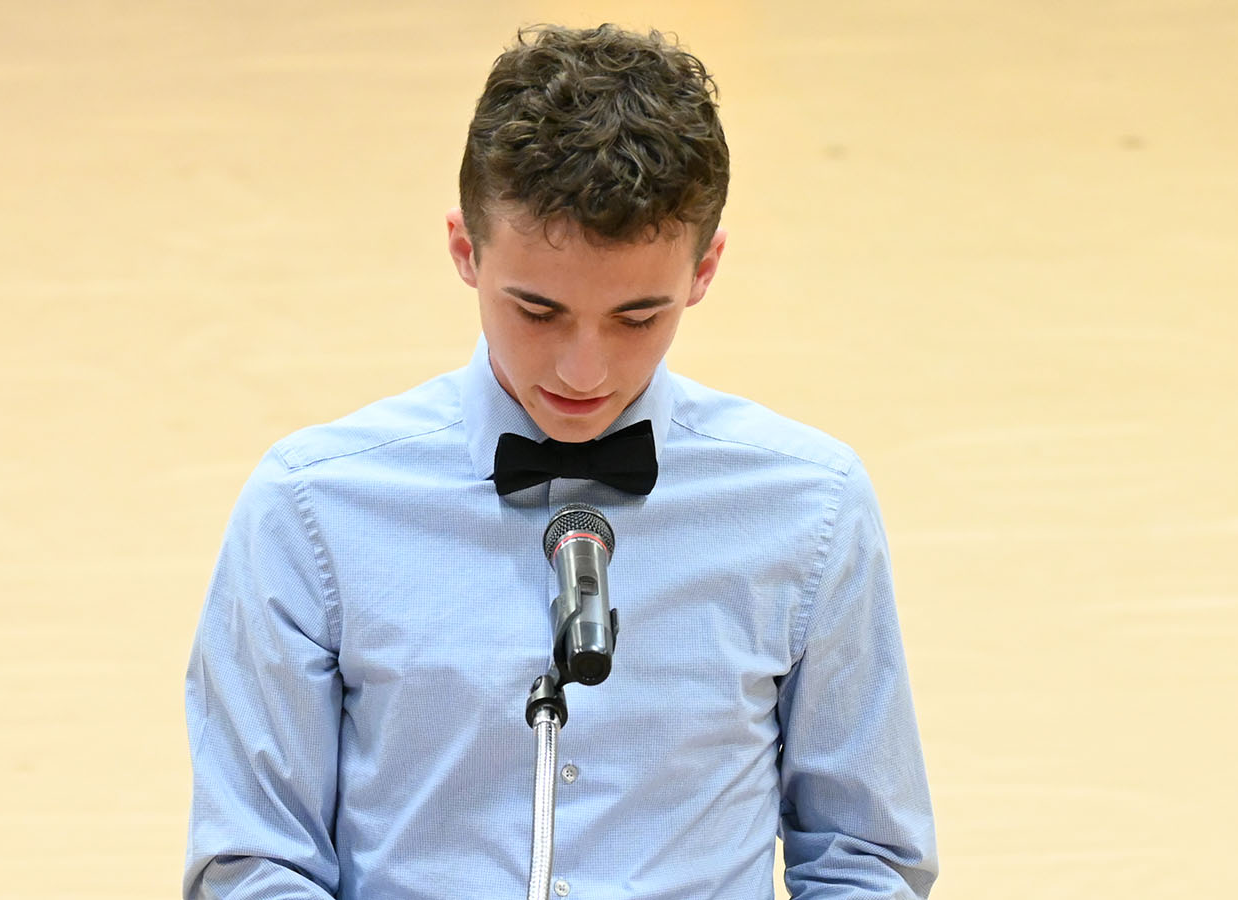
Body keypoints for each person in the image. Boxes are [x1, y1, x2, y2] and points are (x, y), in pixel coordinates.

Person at [183, 23, 937, 900]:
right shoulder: (311, 508)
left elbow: (863, 858)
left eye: (638, 317)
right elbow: (253, 862)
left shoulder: (812, 508)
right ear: (465, 249)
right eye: (538, 312)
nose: (585, 372)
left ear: (706, 269)